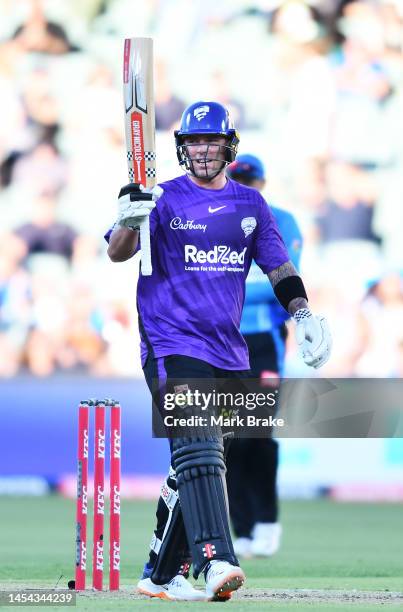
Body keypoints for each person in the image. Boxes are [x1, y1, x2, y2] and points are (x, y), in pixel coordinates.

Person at [105, 101, 331, 601]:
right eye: (193, 143)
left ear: (229, 146)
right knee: (201, 446)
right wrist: (128, 218)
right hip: (170, 342)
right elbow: (119, 251)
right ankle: (216, 560)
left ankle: (160, 575)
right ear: (182, 148)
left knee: (198, 458)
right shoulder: (159, 196)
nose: (202, 150)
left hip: (229, 352)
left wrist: (303, 314)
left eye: (210, 141)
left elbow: (278, 267)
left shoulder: (251, 205)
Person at [225, 154, 303, 558]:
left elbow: (286, 277)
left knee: (258, 432)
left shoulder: (282, 220)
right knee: (231, 440)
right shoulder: (217, 217)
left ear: (262, 182)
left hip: (263, 340)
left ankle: (267, 520)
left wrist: (228, 281)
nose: (246, 186)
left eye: (251, 180)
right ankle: (241, 529)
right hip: (221, 339)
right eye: (239, 180)